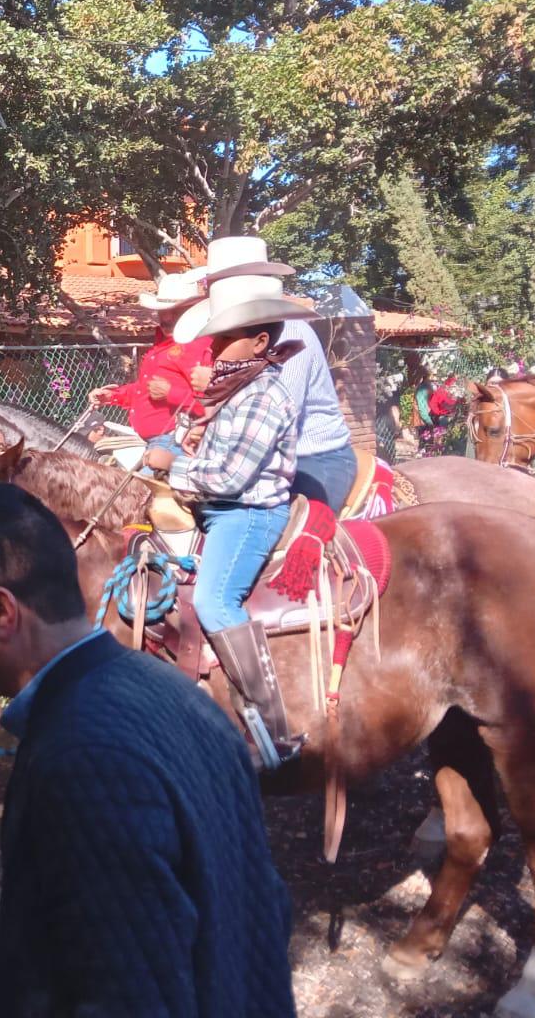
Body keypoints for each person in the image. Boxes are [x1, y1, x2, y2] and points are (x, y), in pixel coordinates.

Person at [0, 483, 294, 1018]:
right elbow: (266, 907)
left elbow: (123, 997)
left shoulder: (81, 760)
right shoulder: (178, 694)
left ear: (2, 611)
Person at [149, 266, 308, 770]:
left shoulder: (266, 394)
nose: (212, 348)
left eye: (224, 337)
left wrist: (174, 463)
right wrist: (191, 442)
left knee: (217, 602)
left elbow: (231, 477)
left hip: (246, 513)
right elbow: (216, 454)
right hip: (216, 508)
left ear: (260, 340)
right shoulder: (239, 385)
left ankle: (276, 727)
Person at [183, 238, 358, 509]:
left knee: (292, 536)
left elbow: (276, 411)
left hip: (315, 457)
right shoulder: (236, 337)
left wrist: (220, 386)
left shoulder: (291, 334)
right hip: (265, 455)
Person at [89, 268, 210, 454]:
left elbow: (212, 405)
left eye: (175, 311)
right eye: (163, 311)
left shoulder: (199, 345)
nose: (167, 317)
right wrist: (112, 396)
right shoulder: (161, 344)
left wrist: (171, 393)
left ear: (190, 312)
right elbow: (145, 390)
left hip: (176, 440)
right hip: (155, 441)